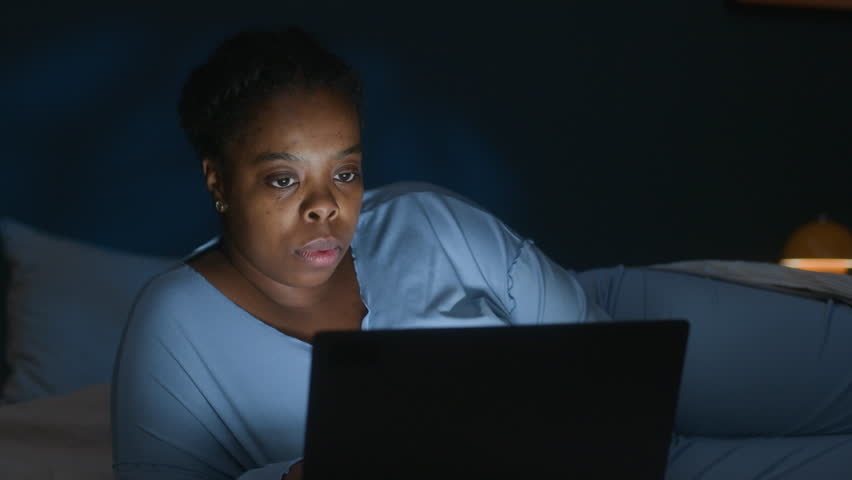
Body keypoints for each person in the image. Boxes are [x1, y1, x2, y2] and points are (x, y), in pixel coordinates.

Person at [111, 27, 609, 480]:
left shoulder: (431, 221)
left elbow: (608, 363)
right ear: (218, 181)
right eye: (284, 180)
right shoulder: (175, 319)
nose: (325, 205)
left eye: (344, 173)